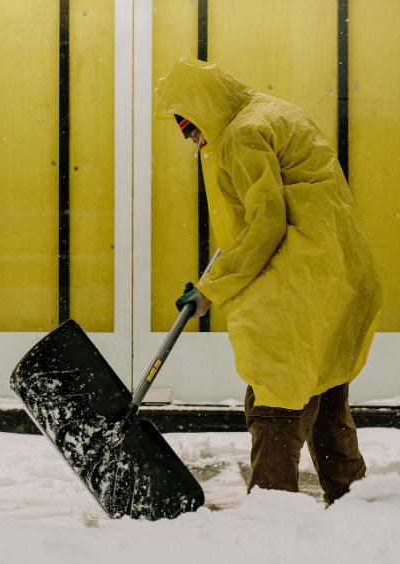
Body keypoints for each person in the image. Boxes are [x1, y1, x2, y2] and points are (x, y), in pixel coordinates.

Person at [156, 58, 382, 505]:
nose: (192, 138)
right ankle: (355, 500)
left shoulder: (242, 134)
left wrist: (211, 288)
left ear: (206, 107)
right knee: (324, 391)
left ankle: (272, 509)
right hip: (340, 273)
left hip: (299, 279)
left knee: (275, 395)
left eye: (190, 126)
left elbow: (265, 225)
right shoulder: (275, 111)